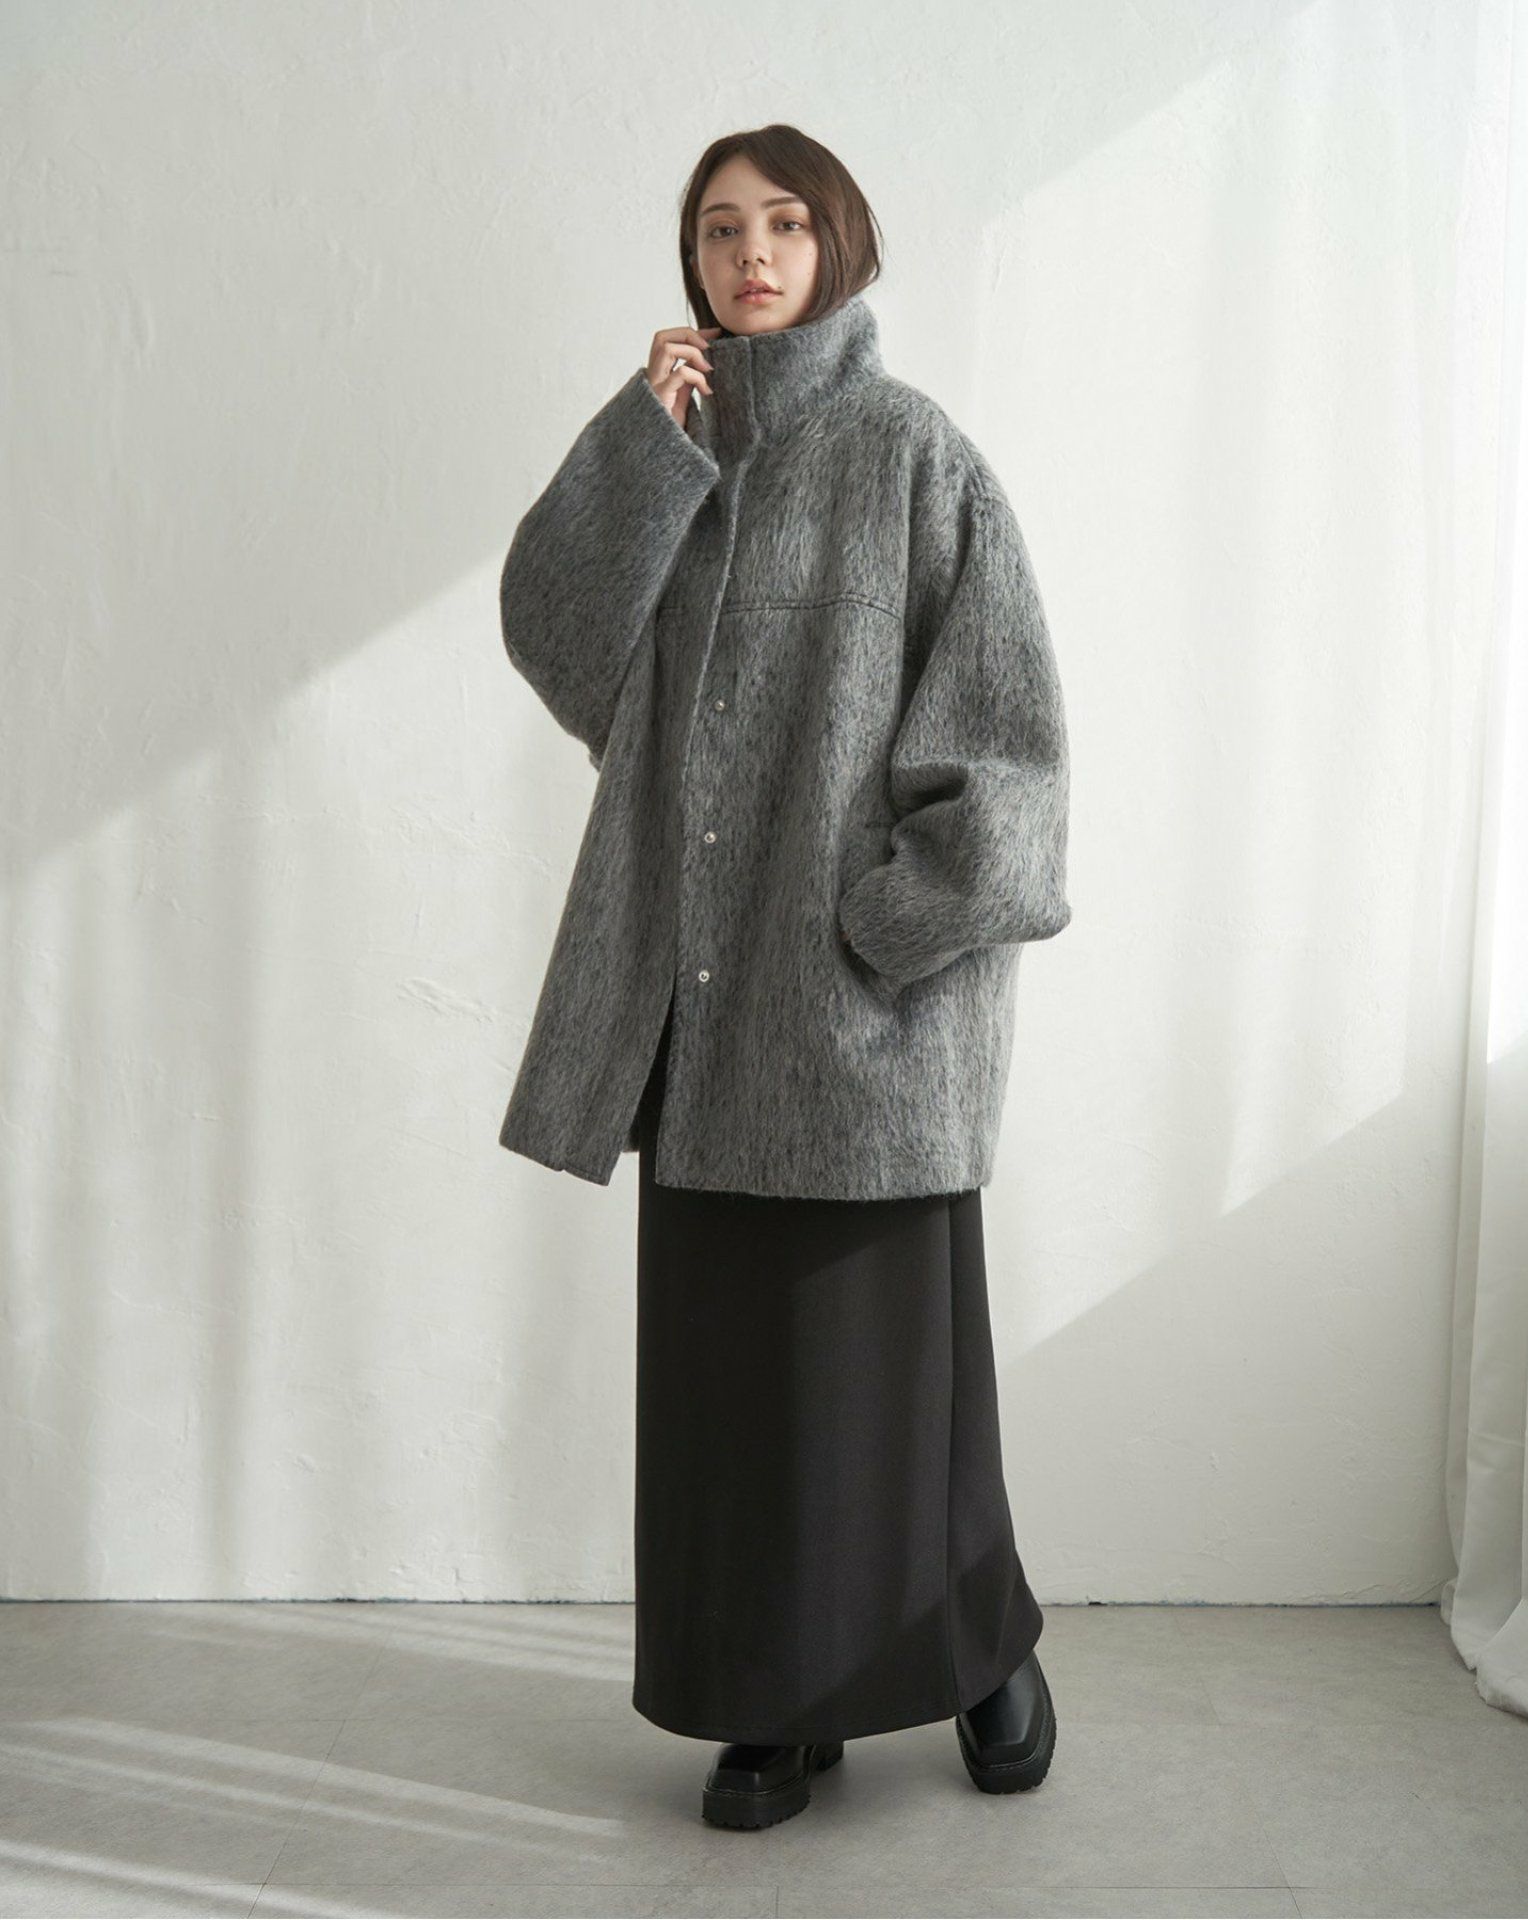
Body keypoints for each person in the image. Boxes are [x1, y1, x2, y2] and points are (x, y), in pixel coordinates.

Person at [496, 124, 1071, 1830]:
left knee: (896, 1390)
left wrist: (877, 940)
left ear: (840, 245)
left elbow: (1010, 765)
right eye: (718, 230)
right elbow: (557, 644)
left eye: (786, 224)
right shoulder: (674, 462)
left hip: (865, 1030)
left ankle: (976, 1646)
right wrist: (637, 447)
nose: (751, 254)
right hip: (699, 1011)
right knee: (733, 1393)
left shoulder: (915, 456)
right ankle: (771, 1702)